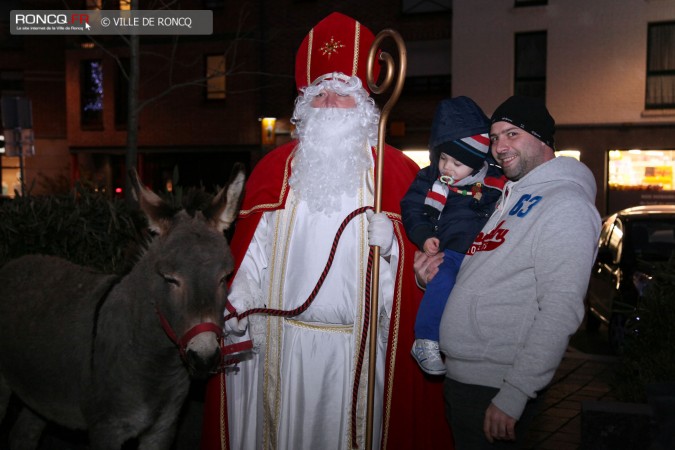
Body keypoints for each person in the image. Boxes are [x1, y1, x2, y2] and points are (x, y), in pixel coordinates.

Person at [200, 12, 453, 450]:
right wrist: (237, 306)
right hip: (284, 347)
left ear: (365, 105)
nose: (331, 104)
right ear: (303, 105)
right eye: (320, 94)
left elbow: (426, 270)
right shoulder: (274, 171)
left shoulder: (397, 176)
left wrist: (393, 248)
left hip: (358, 351)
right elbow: (252, 254)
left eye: (343, 93)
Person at [419, 95, 601, 449]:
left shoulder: (565, 205)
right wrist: (430, 278)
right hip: (467, 378)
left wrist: (515, 393)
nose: (499, 146)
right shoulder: (512, 196)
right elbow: (484, 275)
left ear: (543, 140)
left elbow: (561, 309)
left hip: (496, 385)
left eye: (512, 134)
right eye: (495, 137)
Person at [401, 96, 505, 376]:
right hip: (451, 251)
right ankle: (425, 340)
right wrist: (423, 236)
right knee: (442, 283)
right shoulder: (431, 179)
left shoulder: (496, 183)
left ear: (475, 163)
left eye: (457, 163)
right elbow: (411, 207)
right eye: (443, 158)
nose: (447, 167)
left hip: (484, 256)